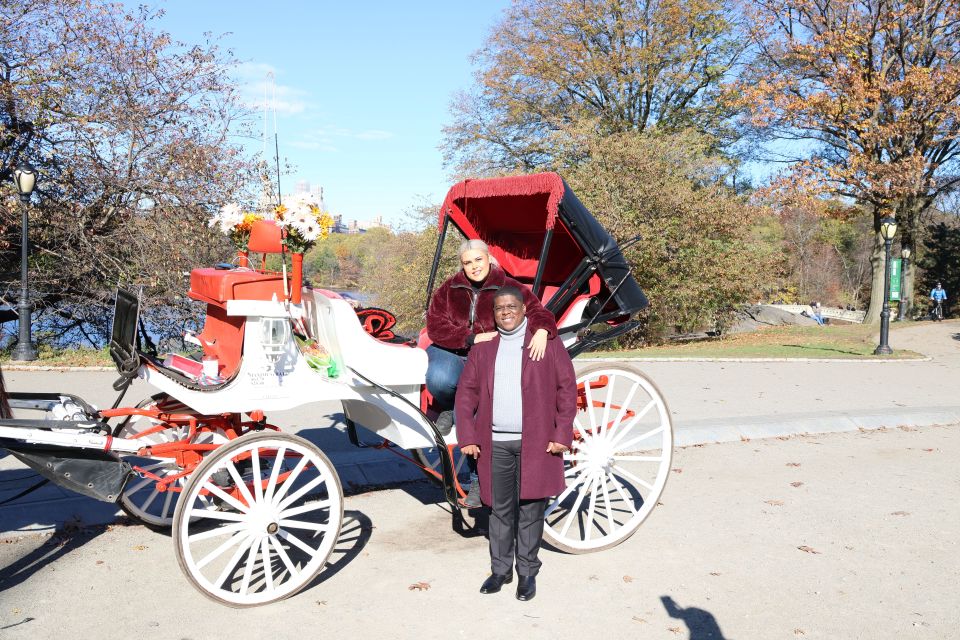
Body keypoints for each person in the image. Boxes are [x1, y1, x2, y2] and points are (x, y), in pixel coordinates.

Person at [455, 286, 575, 602]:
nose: (506, 312)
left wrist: (562, 434)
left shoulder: (546, 343)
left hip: (535, 444)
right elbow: (466, 394)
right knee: (498, 512)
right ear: (493, 314)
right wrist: (466, 435)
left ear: (523, 310)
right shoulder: (483, 350)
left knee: (531, 511)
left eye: (511, 306)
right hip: (494, 444)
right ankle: (500, 571)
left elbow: (566, 389)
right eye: (499, 308)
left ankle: (527, 574)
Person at [426, 240, 558, 507]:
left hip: (487, 358)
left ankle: (477, 482)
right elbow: (435, 325)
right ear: (462, 265)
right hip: (454, 348)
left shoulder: (509, 287)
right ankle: (449, 405)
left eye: (478, 260)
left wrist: (543, 330)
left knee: (480, 409)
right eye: (467, 262)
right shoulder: (450, 288)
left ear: (488, 259)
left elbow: (537, 312)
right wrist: (471, 338)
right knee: (439, 379)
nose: (474, 267)